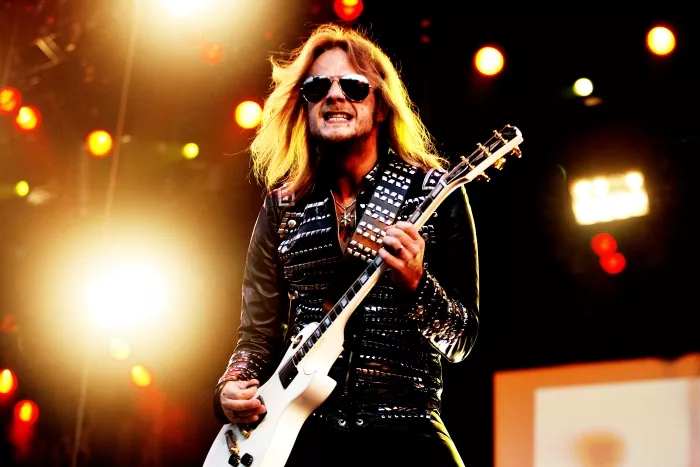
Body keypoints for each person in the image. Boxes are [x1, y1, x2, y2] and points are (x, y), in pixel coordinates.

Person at [213, 23, 480, 467]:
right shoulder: (283, 205)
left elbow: (462, 339)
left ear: (381, 106)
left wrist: (417, 285)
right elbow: (257, 334)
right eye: (318, 87)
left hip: (406, 426)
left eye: (354, 86)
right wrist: (232, 386)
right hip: (302, 429)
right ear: (304, 104)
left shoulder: (434, 192)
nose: (335, 96)